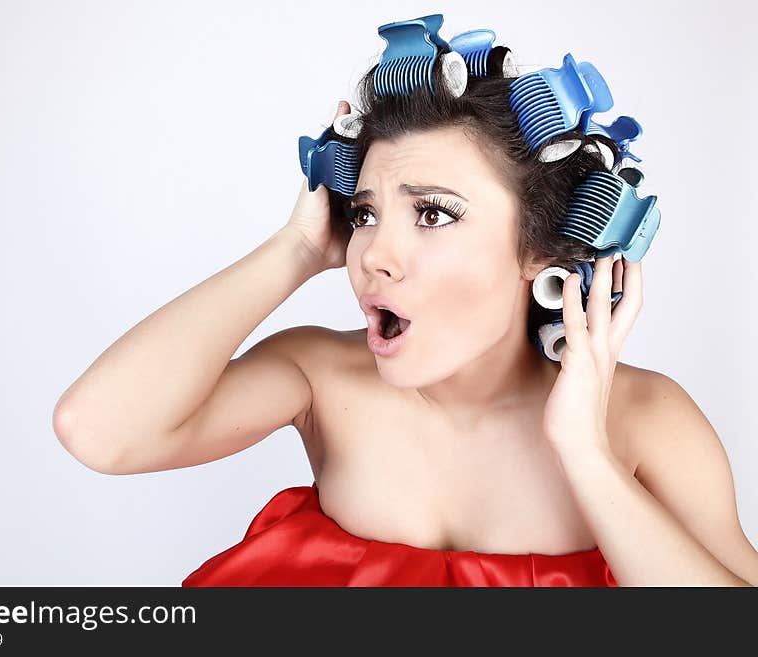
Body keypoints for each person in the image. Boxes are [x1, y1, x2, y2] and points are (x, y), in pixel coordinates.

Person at [52, 29, 758, 587]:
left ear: (539, 253)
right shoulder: (319, 378)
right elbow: (98, 429)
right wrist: (295, 249)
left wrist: (586, 455)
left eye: (432, 213)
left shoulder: (649, 421)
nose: (373, 255)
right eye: (363, 214)